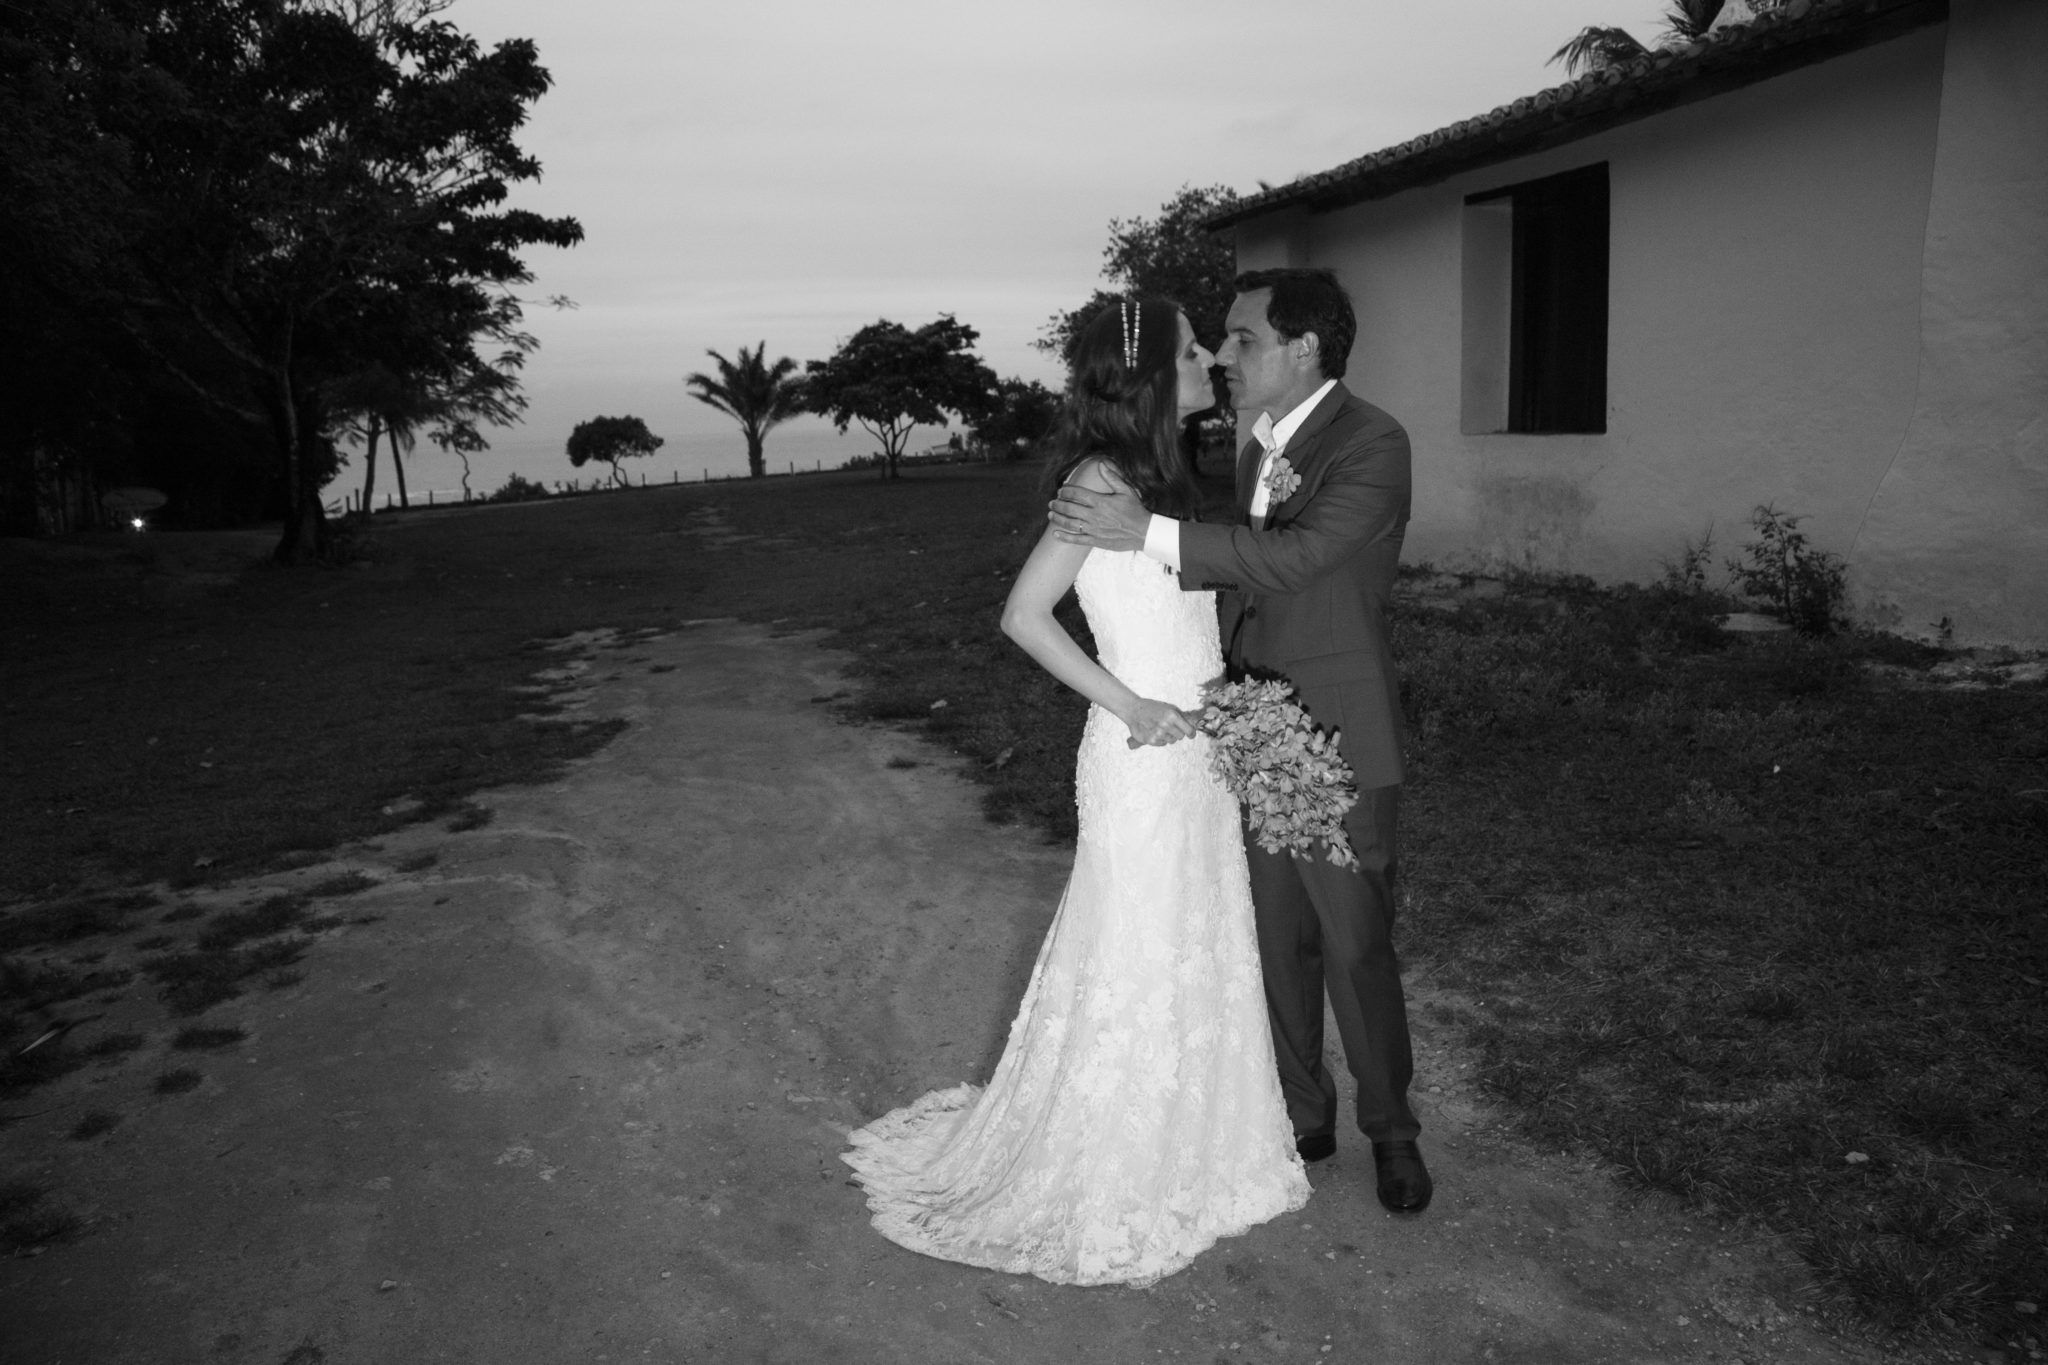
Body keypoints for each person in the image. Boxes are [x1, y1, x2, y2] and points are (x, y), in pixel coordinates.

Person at [840, 299, 1310, 1286]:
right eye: (1189, 350)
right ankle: (1112, 1164)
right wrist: (1130, 703)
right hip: (1140, 752)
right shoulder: (1099, 480)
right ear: (1145, 377)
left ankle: (1197, 1142)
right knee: (1134, 944)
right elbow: (1024, 613)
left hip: (1197, 751)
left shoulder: (1163, 477)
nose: (1206, 360)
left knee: (1196, 932)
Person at [1049, 268, 1431, 1216]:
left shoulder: (1374, 441)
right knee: (1275, 936)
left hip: (1336, 730)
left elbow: (1298, 559)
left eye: (1243, 337)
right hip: (1250, 724)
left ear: (1304, 348)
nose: (1223, 354)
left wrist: (1151, 536)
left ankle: (1392, 1130)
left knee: (1355, 942)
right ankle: (1303, 1110)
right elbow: (1245, 582)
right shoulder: (1257, 444)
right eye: (1215, 339)